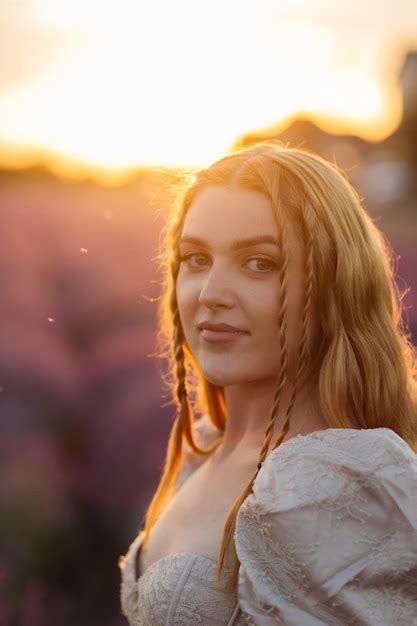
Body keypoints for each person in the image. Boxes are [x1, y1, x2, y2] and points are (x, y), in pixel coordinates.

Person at [118, 142, 417, 625]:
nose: (212, 294)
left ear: (335, 289)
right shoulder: (206, 449)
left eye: (260, 263)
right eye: (196, 258)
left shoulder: (336, 484)